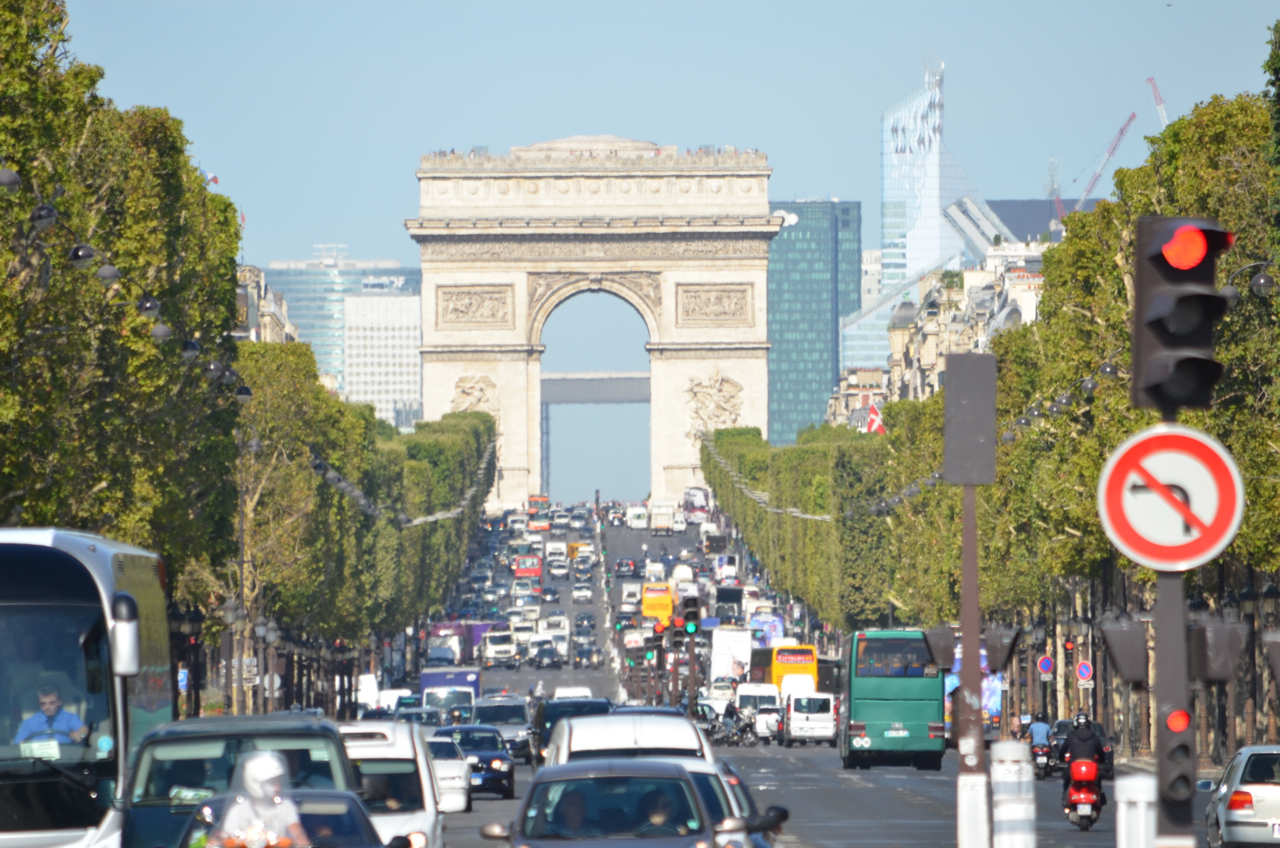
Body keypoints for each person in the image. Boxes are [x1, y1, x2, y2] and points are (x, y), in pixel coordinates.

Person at [215, 751, 311, 848]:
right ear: (255, 782)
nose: (277, 788)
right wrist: (217, 841)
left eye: (278, 781)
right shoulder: (237, 810)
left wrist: (300, 839)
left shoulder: (284, 806)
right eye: (271, 782)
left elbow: (297, 832)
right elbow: (224, 838)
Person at [1058, 712, 1107, 809]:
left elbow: (1062, 750)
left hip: (1074, 767)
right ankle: (1099, 799)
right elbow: (1101, 753)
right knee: (1098, 781)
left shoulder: (1071, 736)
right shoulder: (1094, 737)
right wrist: (1102, 761)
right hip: (1091, 768)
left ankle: (1065, 799)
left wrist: (1061, 759)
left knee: (1067, 779)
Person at [14, 684, 88, 745]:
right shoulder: (29, 723)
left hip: (65, 759)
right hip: (37, 760)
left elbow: (83, 729)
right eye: (43, 704)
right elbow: (18, 744)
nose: (47, 707)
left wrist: (80, 735)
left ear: (59, 702)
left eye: (51, 703)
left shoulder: (69, 717)